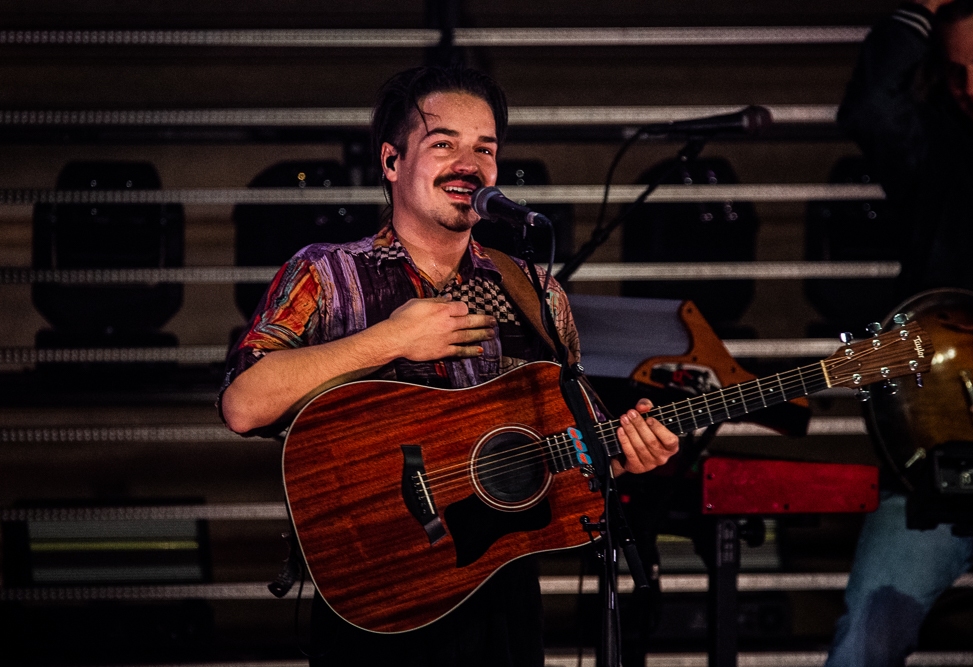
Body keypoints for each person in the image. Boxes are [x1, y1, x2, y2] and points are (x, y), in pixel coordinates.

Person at [219, 66, 679, 667]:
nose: (469, 164)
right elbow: (243, 404)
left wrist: (624, 450)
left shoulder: (534, 291)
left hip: (501, 595)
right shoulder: (327, 274)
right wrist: (388, 339)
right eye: (444, 144)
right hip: (374, 588)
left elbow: (572, 449)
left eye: (484, 149)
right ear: (391, 162)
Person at [826, 1, 973, 665]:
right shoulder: (942, 155)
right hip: (937, 457)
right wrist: (920, 8)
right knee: (866, 635)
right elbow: (872, 108)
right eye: (956, 71)